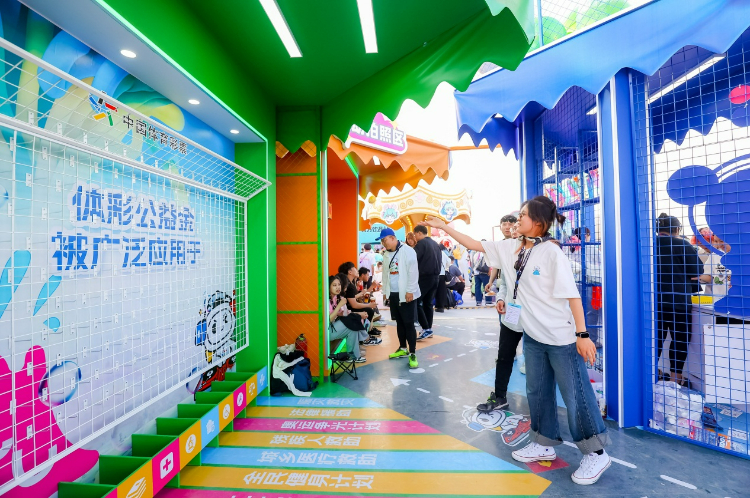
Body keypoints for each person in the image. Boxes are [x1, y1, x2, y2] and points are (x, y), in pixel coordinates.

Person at [422, 196, 611, 486]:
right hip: (533, 337)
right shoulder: (510, 248)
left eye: (523, 215)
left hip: (560, 338)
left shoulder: (551, 252)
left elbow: (572, 295)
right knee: (537, 392)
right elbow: (473, 244)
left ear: (538, 223)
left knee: (576, 396)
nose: (517, 219)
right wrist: (444, 226)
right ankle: (544, 442)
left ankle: (596, 453)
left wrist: (582, 335)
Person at [655, 213, 703, 386]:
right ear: (676, 229)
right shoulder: (681, 244)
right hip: (678, 302)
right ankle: (675, 380)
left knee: (656, 339)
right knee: (680, 340)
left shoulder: (648, 244)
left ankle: (651, 373)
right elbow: (697, 271)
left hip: (654, 302)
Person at [378, 228, 421, 369]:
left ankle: (412, 353)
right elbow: (385, 273)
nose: (383, 243)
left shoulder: (408, 251)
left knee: (409, 323)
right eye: (382, 241)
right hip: (394, 293)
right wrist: (385, 292)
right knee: (399, 322)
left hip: (406, 293)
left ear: (392, 238)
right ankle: (402, 348)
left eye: (384, 240)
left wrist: (410, 291)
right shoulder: (386, 254)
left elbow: (413, 272)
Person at [337, 262, 382, 343]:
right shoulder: (349, 285)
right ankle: (364, 337)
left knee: (369, 309)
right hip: (347, 309)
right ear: (350, 272)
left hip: (347, 308)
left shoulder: (352, 283)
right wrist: (369, 304)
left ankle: (367, 333)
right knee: (369, 310)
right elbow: (353, 305)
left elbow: (353, 298)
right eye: (354, 268)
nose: (357, 270)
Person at [328, 276, 366, 363]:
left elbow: (345, 314)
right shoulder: (325, 300)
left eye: (339, 284)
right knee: (353, 320)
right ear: (328, 287)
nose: (338, 287)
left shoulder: (339, 298)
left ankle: (353, 356)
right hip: (328, 331)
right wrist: (339, 306)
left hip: (337, 327)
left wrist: (341, 313)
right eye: (334, 285)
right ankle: (365, 337)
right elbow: (328, 320)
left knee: (352, 329)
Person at [413, 225, 442, 340]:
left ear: (419, 233)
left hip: (424, 277)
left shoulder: (421, 244)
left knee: (416, 301)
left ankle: (426, 328)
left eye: (415, 234)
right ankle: (428, 329)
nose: (415, 237)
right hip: (436, 277)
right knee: (428, 303)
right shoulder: (435, 244)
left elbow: (413, 259)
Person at [435, 247, 451, 312]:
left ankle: (432, 305)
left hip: (434, 274)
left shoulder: (432, 252)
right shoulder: (443, 253)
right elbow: (449, 261)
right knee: (441, 291)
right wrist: (445, 267)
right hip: (442, 274)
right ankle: (440, 306)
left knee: (433, 291)